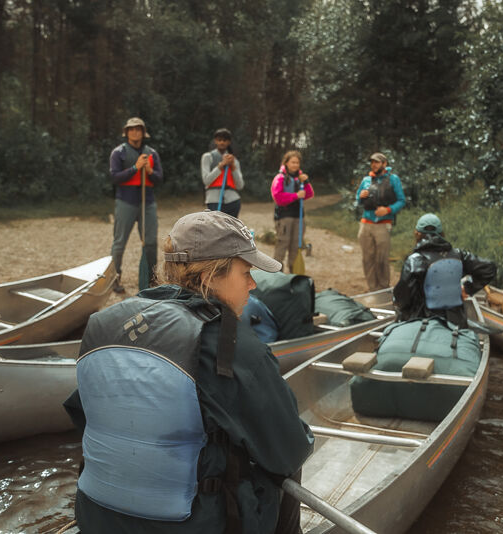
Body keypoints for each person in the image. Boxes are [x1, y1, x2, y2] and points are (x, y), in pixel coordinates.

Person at [63, 210, 314, 533]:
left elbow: (81, 414)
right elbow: (289, 449)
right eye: (246, 272)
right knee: (285, 466)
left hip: (95, 518)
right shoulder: (230, 343)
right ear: (210, 276)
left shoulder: (104, 325)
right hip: (191, 526)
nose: (253, 284)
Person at [393, 213, 497, 326]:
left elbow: (402, 298)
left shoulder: (415, 260)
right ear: (442, 234)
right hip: (456, 320)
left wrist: (398, 304)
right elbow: (489, 268)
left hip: (424, 320)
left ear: (417, 234)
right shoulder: (459, 255)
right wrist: (467, 289)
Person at [109, 117, 164, 292]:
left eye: (138, 129)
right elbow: (115, 177)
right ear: (126, 132)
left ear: (142, 132)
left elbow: (159, 178)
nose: (135, 132)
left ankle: (150, 280)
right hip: (126, 201)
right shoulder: (119, 153)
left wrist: (149, 171)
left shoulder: (152, 153)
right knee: (119, 243)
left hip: (147, 202)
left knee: (150, 242)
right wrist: (135, 167)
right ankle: (114, 279)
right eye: (131, 129)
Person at [355, 152, 405, 291]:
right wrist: (360, 196)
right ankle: (372, 289)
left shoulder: (393, 179)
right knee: (367, 259)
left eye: (377, 162)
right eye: (372, 162)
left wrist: (388, 210)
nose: (373, 165)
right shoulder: (366, 180)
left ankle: (383, 289)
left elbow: (402, 201)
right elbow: (358, 201)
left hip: (383, 225)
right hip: (366, 224)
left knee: (381, 259)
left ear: (384, 164)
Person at [271, 150, 314, 271]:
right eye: (293, 162)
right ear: (286, 163)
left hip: (298, 217)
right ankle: (276, 274)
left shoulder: (300, 178)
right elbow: (278, 197)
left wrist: (306, 182)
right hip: (284, 217)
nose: (295, 165)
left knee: (296, 247)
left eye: (297, 162)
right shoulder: (280, 178)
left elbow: (309, 194)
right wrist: (296, 196)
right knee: (282, 246)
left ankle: (293, 275)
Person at [201, 128, 244, 218]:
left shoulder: (234, 160)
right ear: (215, 141)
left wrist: (233, 168)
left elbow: (240, 185)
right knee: (216, 230)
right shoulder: (207, 157)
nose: (222, 142)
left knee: (231, 231)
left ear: (228, 142)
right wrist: (220, 166)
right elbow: (206, 180)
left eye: (225, 140)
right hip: (214, 201)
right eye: (219, 140)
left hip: (233, 201)